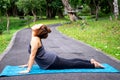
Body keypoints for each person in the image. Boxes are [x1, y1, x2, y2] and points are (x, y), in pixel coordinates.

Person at [19, 24, 104, 74]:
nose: (35, 25)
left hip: (50, 62)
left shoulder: (35, 39)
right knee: (71, 61)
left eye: (37, 25)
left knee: (72, 64)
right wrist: (27, 64)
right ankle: (90, 61)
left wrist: (28, 69)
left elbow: (33, 55)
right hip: (50, 59)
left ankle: (93, 65)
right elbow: (33, 54)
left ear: (37, 31)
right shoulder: (34, 36)